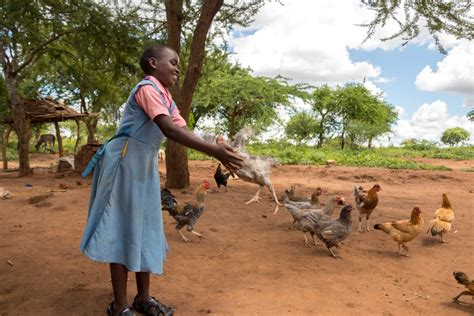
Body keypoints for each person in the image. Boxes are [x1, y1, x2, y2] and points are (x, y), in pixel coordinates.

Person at [79, 44, 243, 316]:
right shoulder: (147, 88)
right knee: (120, 227)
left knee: (145, 227)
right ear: (153, 63)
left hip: (143, 165)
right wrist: (213, 150)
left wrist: (218, 148)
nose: (178, 67)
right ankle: (119, 306)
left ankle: (143, 298)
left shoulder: (166, 97)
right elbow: (168, 129)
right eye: (173, 62)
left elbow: (183, 129)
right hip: (124, 161)